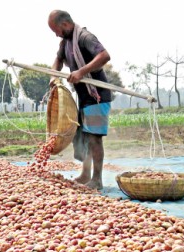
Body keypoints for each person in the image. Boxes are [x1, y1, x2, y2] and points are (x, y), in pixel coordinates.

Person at [48, 10, 112, 190]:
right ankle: (85, 174)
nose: (56, 34)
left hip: (97, 95)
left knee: (94, 138)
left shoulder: (85, 37)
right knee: (83, 136)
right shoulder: (66, 42)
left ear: (65, 25)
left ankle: (97, 180)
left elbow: (104, 56)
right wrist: (54, 76)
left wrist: (81, 72)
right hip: (83, 97)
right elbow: (58, 60)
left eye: (56, 30)